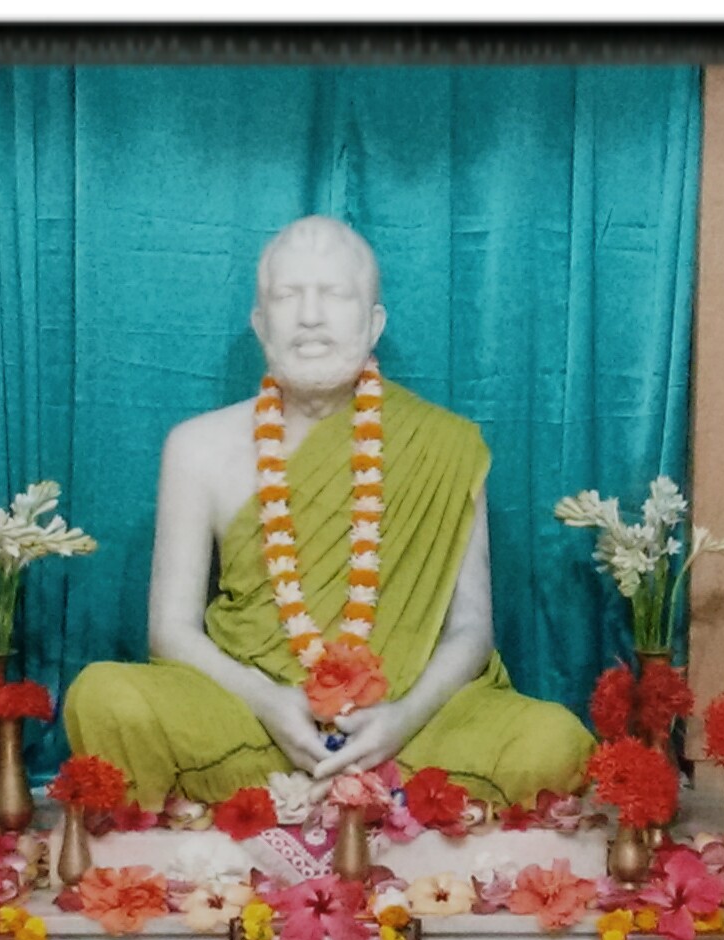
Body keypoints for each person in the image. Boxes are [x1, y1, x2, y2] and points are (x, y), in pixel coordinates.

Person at [64, 216, 594, 810]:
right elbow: (171, 631)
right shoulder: (197, 447)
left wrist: (400, 718)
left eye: (335, 294)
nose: (310, 316)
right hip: (247, 716)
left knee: (551, 742)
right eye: (288, 295)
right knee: (103, 696)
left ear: (374, 323)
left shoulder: (445, 445)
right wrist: (268, 702)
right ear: (260, 324)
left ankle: (317, 794)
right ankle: (347, 802)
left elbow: (471, 631)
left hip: (409, 723)